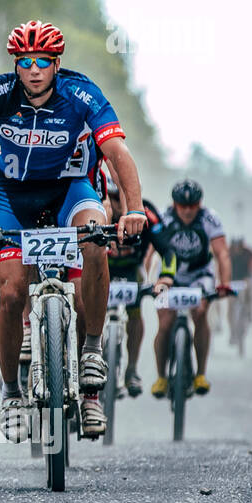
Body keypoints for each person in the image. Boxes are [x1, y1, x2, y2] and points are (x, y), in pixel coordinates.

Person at [0, 20, 150, 440]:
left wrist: (132, 210)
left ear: (57, 63)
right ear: (15, 65)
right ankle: (10, 393)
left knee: (95, 239)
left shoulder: (82, 93)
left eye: (42, 61)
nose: (33, 70)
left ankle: (91, 348)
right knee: (11, 292)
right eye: (24, 62)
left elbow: (116, 151)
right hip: (13, 197)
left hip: (70, 191)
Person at [149, 178, 232, 396]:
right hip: (170, 275)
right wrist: (148, 281)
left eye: (192, 206)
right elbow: (149, 251)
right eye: (182, 206)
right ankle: (161, 377)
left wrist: (224, 284)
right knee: (165, 322)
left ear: (200, 204)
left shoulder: (210, 218)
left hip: (200, 274)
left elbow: (222, 253)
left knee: (200, 312)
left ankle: (201, 374)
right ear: (174, 204)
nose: (187, 211)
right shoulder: (163, 218)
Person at [100, 165, 161, 396]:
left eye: (121, 196)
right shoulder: (95, 209)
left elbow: (167, 246)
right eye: (113, 197)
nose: (117, 203)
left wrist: (165, 277)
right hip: (103, 268)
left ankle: (132, 368)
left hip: (131, 270)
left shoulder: (145, 212)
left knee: (135, 313)